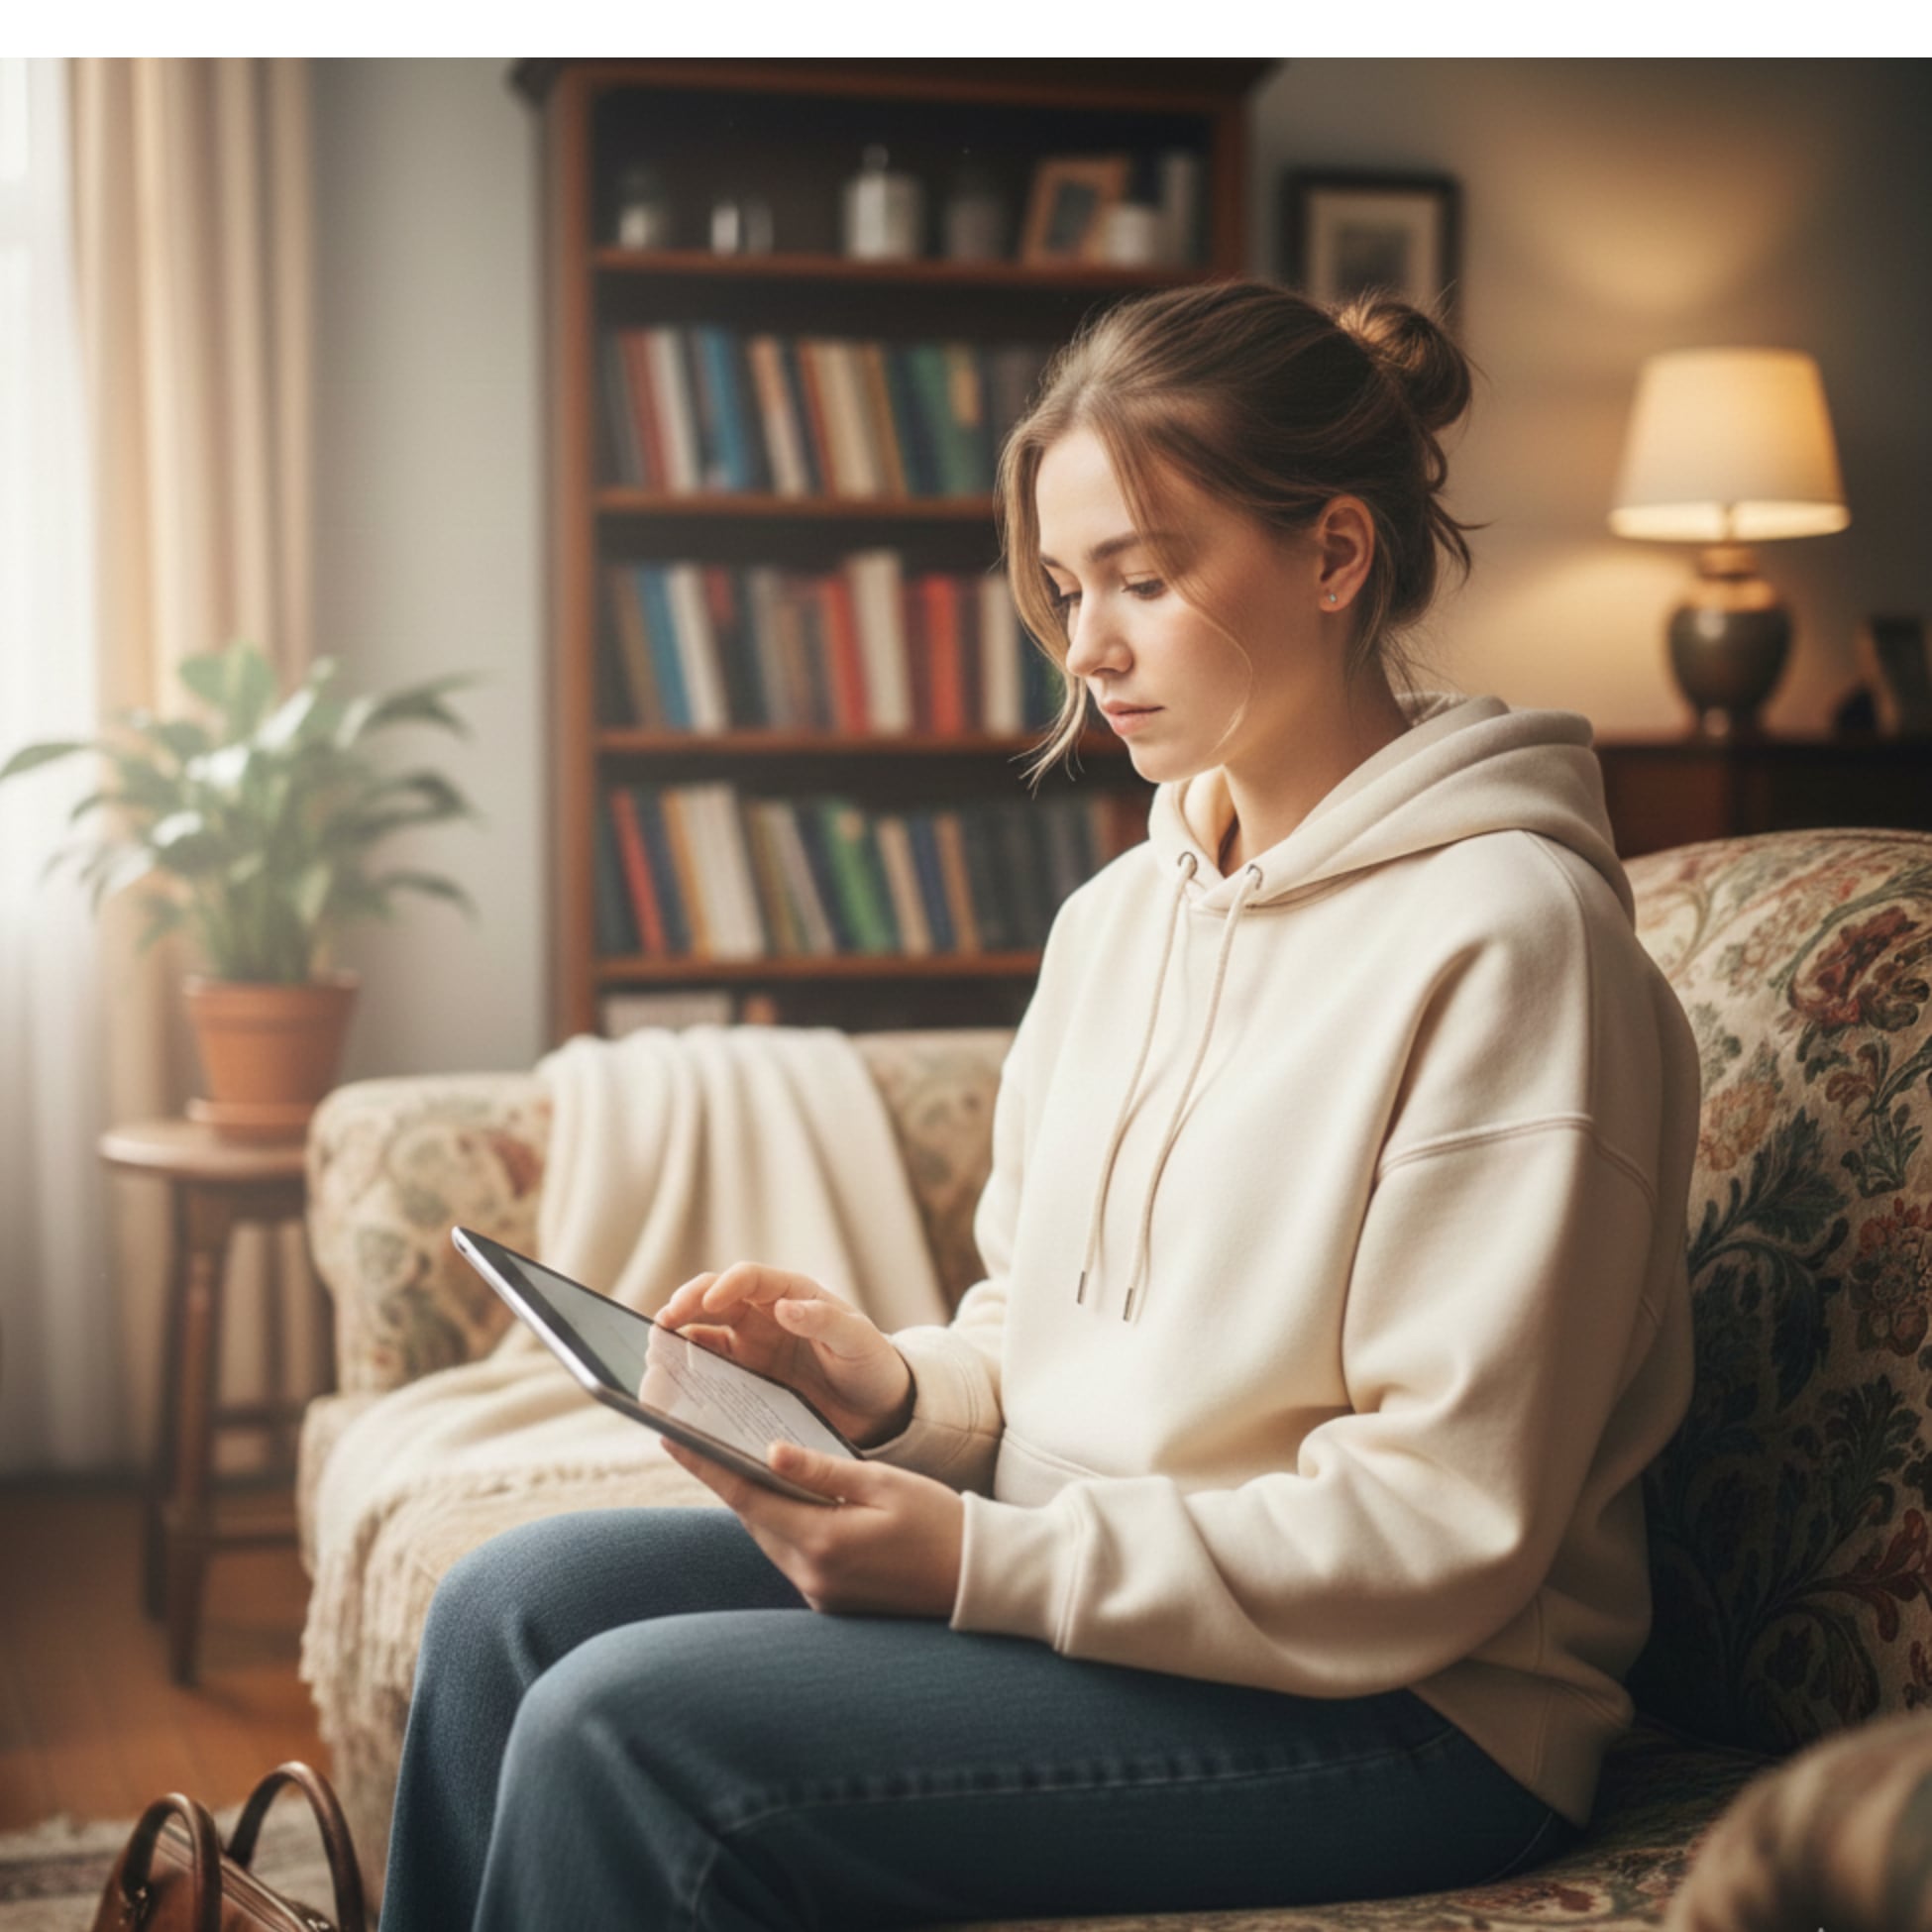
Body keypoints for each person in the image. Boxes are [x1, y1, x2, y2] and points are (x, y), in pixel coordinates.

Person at [379, 276, 1701, 1930]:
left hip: (1407, 1704)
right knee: (509, 1605)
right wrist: (884, 1392)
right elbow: (1040, 1335)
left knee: (623, 1733)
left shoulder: (1511, 942)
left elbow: (1441, 1524)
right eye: (1070, 586)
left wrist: (970, 1562)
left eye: (1145, 580)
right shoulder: (1116, 918)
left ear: (1334, 555)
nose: (1085, 646)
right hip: (1105, 1588)